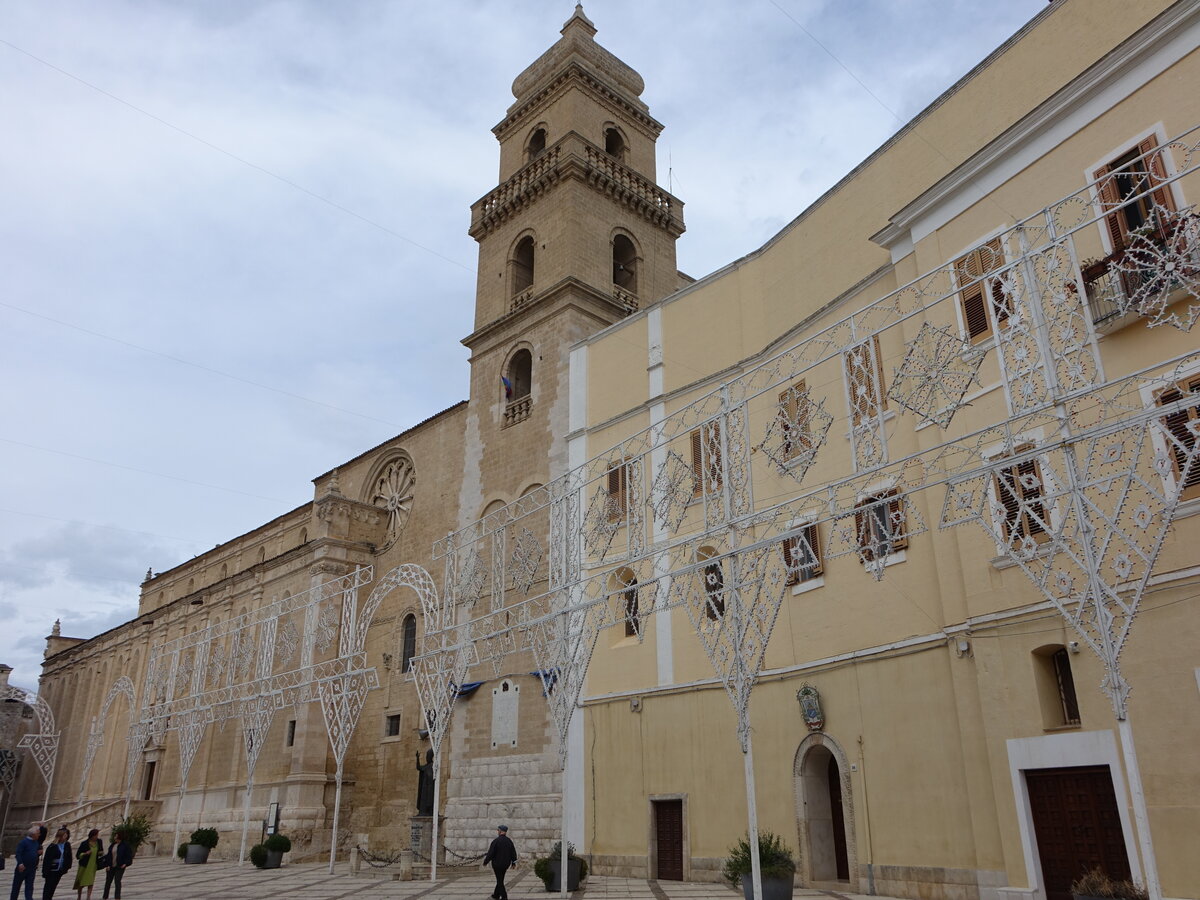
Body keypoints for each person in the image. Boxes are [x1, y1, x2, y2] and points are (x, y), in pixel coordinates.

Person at [482, 824, 517, 900]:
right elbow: (513, 853)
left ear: (500, 831)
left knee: (500, 881)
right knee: (500, 879)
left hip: (497, 864)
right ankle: (496, 895)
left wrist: (485, 861)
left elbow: (491, 853)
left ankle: (504, 896)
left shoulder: (496, 841)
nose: (497, 831)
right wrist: (513, 862)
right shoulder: (509, 841)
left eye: (498, 830)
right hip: (505, 864)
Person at [9, 826, 40, 900]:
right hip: (22, 868)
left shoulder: (36, 842)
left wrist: (39, 853)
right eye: (38, 833)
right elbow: (18, 854)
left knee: (29, 886)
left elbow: (34, 853)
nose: (39, 835)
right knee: (16, 886)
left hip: (32, 868)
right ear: (33, 834)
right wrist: (20, 863)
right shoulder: (23, 842)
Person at [41, 829, 72, 900]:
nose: (66, 837)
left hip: (60, 869)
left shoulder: (67, 844)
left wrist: (67, 867)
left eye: (66, 835)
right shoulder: (53, 846)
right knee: (48, 887)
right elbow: (47, 859)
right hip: (52, 869)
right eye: (64, 835)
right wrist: (45, 871)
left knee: (53, 886)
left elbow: (68, 856)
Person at [98, 833, 130, 900]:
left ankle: (117, 897)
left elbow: (128, 856)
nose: (114, 837)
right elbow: (109, 856)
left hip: (119, 866)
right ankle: (105, 897)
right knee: (108, 882)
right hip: (111, 866)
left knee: (117, 881)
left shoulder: (125, 845)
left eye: (116, 836)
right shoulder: (113, 845)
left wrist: (125, 864)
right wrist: (106, 865)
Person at [71, 831, 102, 900]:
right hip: (84, 865)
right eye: (96, 835)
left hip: (93, 865)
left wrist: (100, 853)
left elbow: (101, 850)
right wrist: (85, 853)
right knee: (81, 882)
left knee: (90, 882)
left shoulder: (99, 842)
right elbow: (78, 855)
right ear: (92, 836)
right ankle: (79, 896)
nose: (97, 837)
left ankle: (88, 897)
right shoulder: (84, 843)